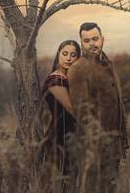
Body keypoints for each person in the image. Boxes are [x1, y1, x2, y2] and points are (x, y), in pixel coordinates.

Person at [66, 22, 128, 192]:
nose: (92, 43)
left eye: (95, 38)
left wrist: (123, 138)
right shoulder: (78, 69)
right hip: (93, 149)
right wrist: (99, 144)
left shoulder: (108, 65)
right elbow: (82, 112)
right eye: (86, 41)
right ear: (81, 43)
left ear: (102, 39)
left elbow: (119, 105)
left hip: (114, 146)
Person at [40, 39, 80, 185]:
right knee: (59, 182)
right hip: (59, 137)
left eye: (73, 54)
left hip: (72, 137)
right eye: (65, 53)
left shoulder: (71, 79)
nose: (68, 58)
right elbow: (71, 108)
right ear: (59, 55)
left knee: (71, 182)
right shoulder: (55, 80)